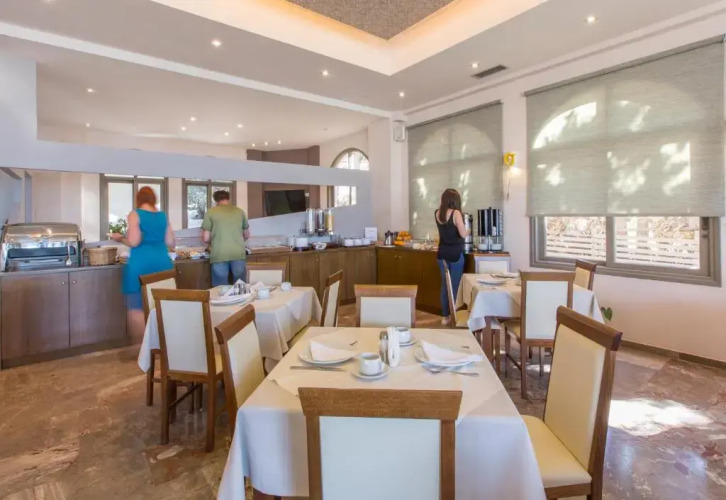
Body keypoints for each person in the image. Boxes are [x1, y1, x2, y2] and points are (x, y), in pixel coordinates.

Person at [110, 187, 175, 343]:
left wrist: (120, 238)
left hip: (141, 265)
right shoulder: (163, 216)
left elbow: (134, 241)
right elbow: (170, 242)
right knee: (162, 305)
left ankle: (142, 348)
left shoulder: (135, 214)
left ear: (138, 199)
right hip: (162, 264)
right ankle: (163, 347)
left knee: (137, 307)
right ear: (153, 199)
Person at [202, 190, 250, 286]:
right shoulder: (240, 211)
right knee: (240, 287)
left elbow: (206, 238)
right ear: (228, 198)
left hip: (219, 254)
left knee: (220, 288)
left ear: (215, 200)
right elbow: (247, 235)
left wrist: (215, 241)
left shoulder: (210, 212)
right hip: (238, 253)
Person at [435, 188, 469, 326]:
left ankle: (445, 317)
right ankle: (455, 317)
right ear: (455, 201)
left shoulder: (437, 213)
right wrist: (468, 230)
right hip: (455, 254)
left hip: (442, 254)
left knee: (445, 285)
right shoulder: (456, 213)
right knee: (455, 286)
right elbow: (463, 234)